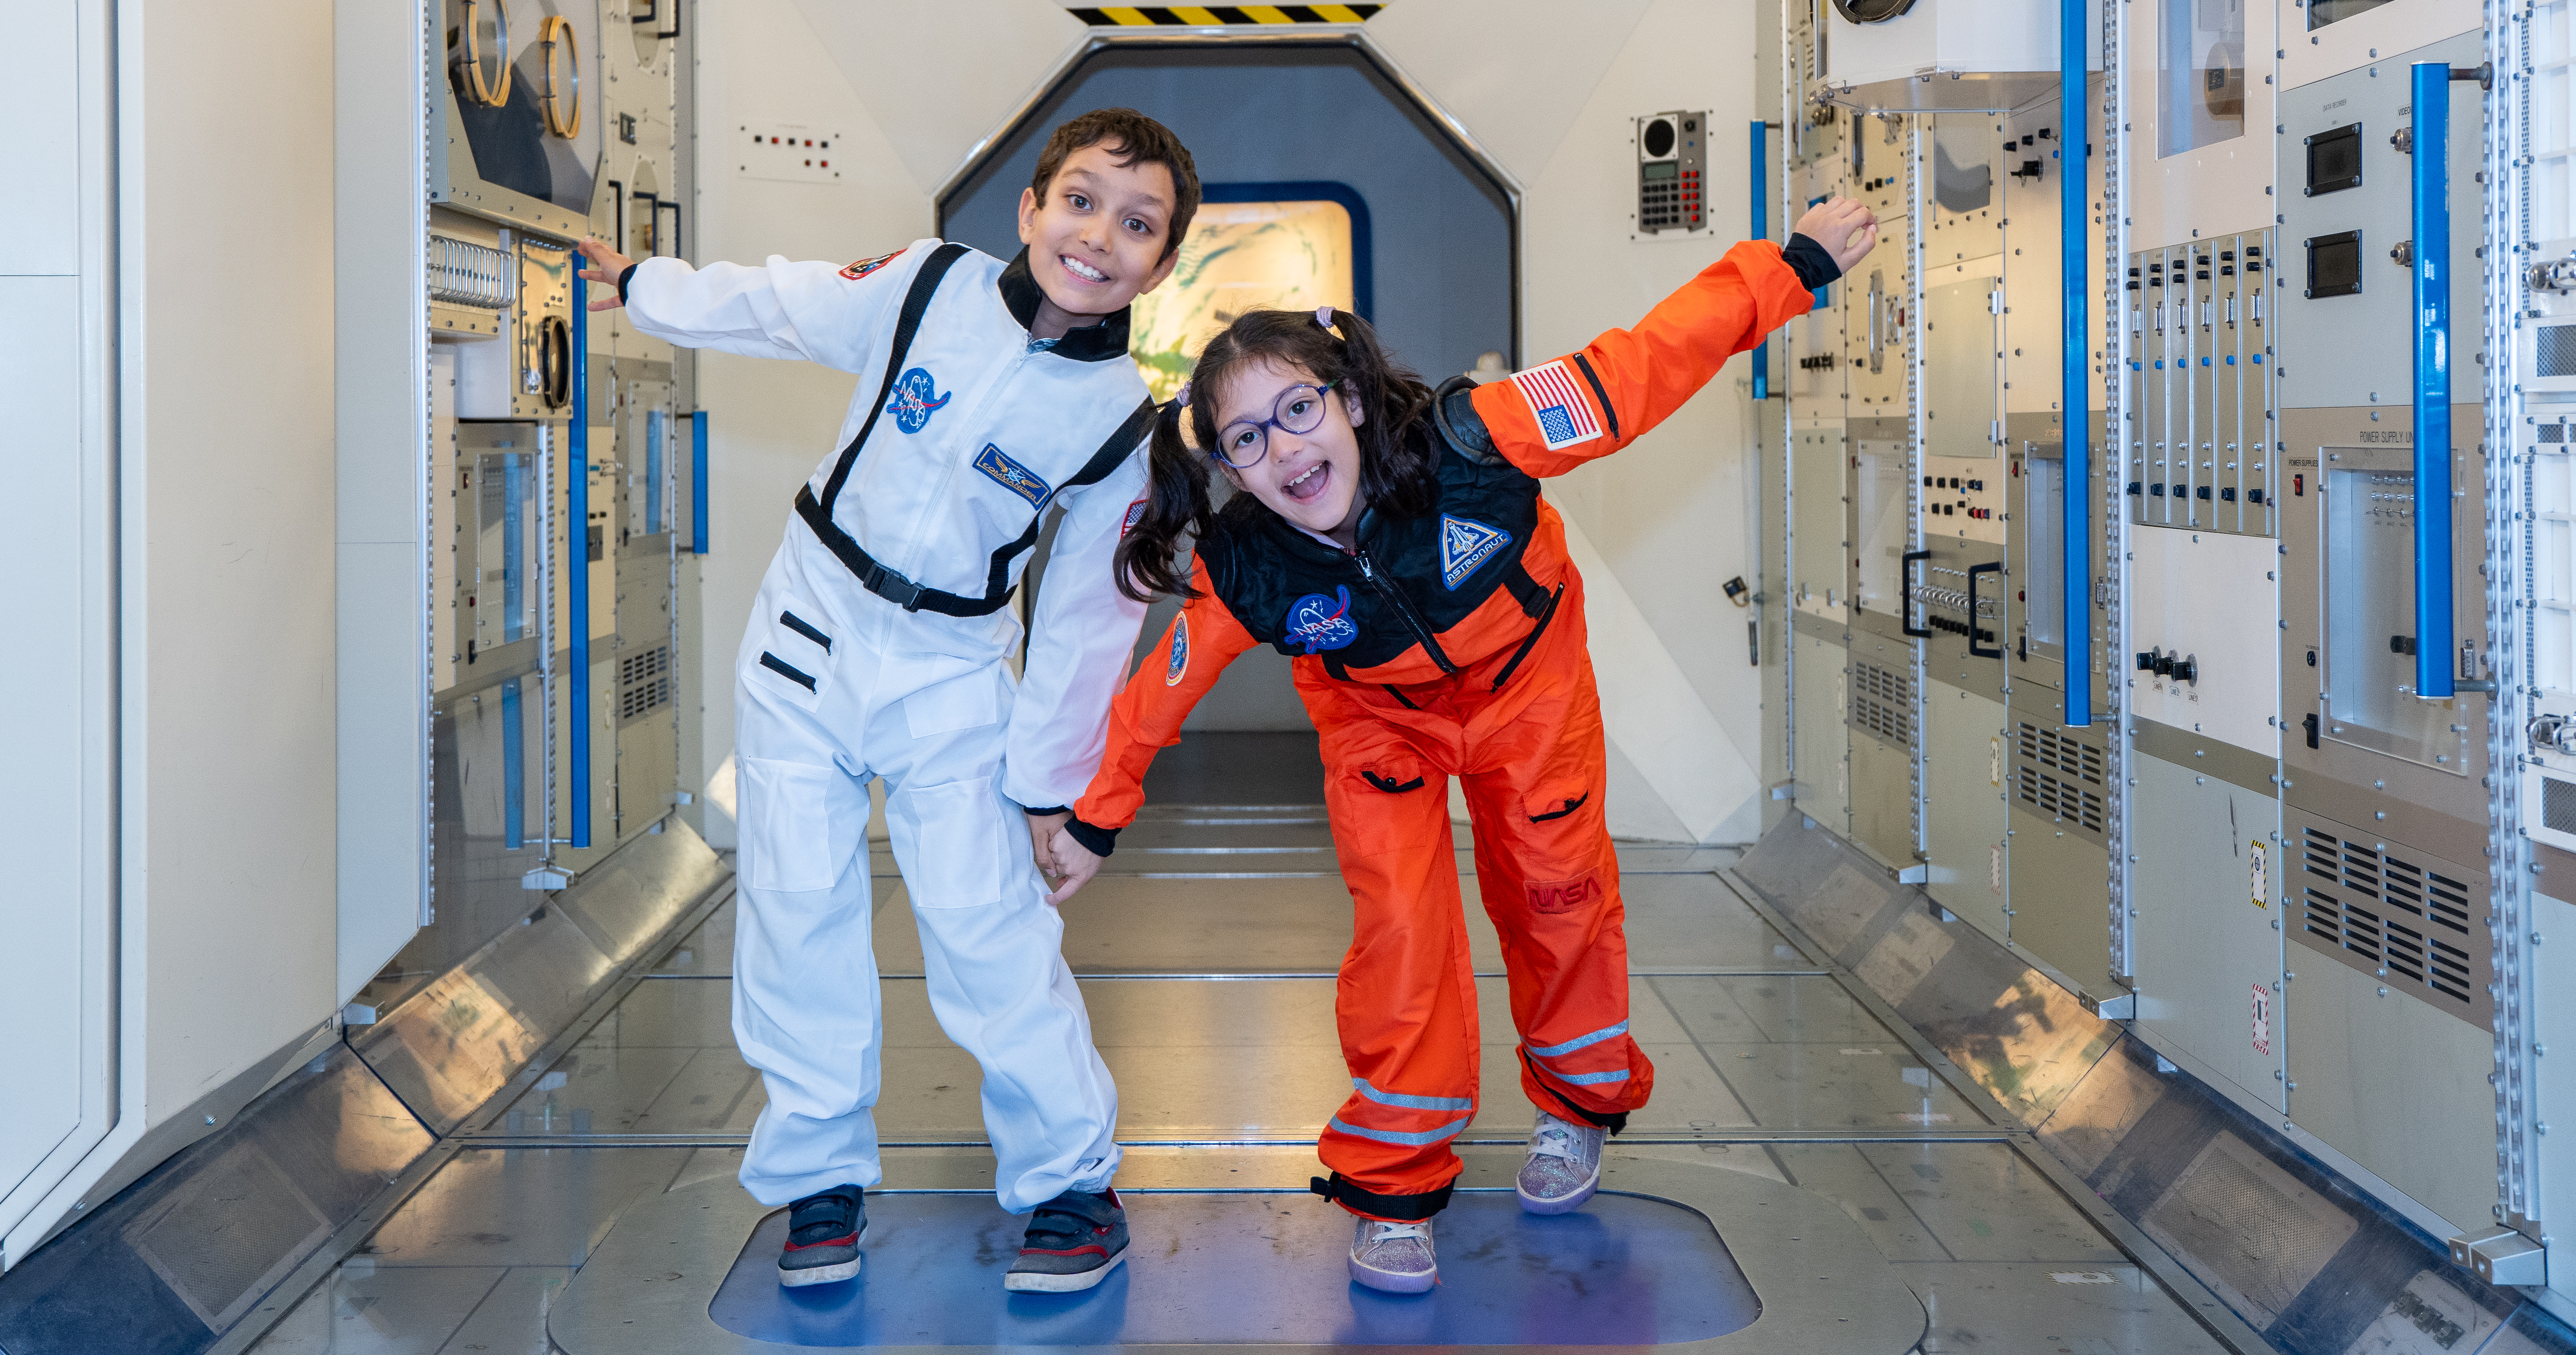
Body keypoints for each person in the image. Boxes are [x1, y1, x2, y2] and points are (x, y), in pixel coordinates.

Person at [1040, 197, 1878, 1294]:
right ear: (1230, 468)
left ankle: (1577, 1103)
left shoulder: (1476, 435)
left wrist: (1792, 265)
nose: (1284, 448)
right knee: (1400, 920)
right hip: (1377, 716)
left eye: (1299, 409)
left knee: (1556, 888)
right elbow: (1161, 690)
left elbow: (1640, 367)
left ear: (1347, 397)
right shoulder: (1248, 564)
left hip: (1530, 685)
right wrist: (1094, 815)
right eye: (1247, 438)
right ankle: (1393, 1181)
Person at [577, 109, 1202, 1295]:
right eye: (1079, 200)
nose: (1098, 236)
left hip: (955, 675)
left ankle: (1071, 1181)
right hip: (810, 637)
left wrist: (1048, 793)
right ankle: (819, 1180)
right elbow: (783, 302)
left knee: (989, 928)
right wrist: (652, 286)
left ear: (1160, 266)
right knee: (796, 903)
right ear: (1029, 208)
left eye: (1136, 224)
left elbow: (1084, 623)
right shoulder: (929, 287)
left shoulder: (1124, 424)